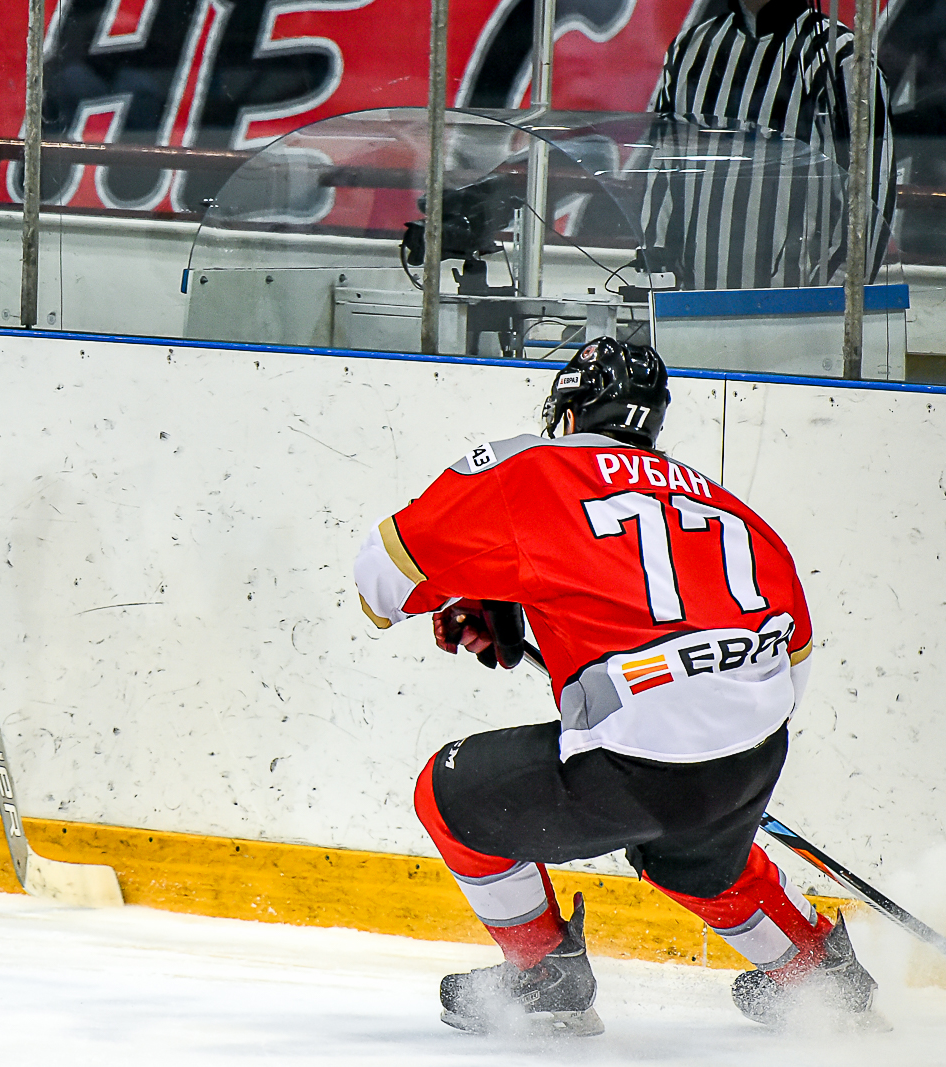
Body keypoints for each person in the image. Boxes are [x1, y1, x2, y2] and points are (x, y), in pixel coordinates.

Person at [353, 337, 878, 1034]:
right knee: (689, 852)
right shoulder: (730, 508)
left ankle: (545, 977)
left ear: (570, 414)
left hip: (633, 766)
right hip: (753, 752)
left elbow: (380, 582)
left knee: (446, 794)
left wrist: (477, 585)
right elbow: (791, 661)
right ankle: (818, 973)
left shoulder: (529, 467)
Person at [640, 0, 896, 290]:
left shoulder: (844, 58)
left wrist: (819, 307)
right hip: (691, 310)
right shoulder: (689, 50)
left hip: (798, 318)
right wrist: (659, 286)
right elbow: (660, 179)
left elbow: (870, 202)